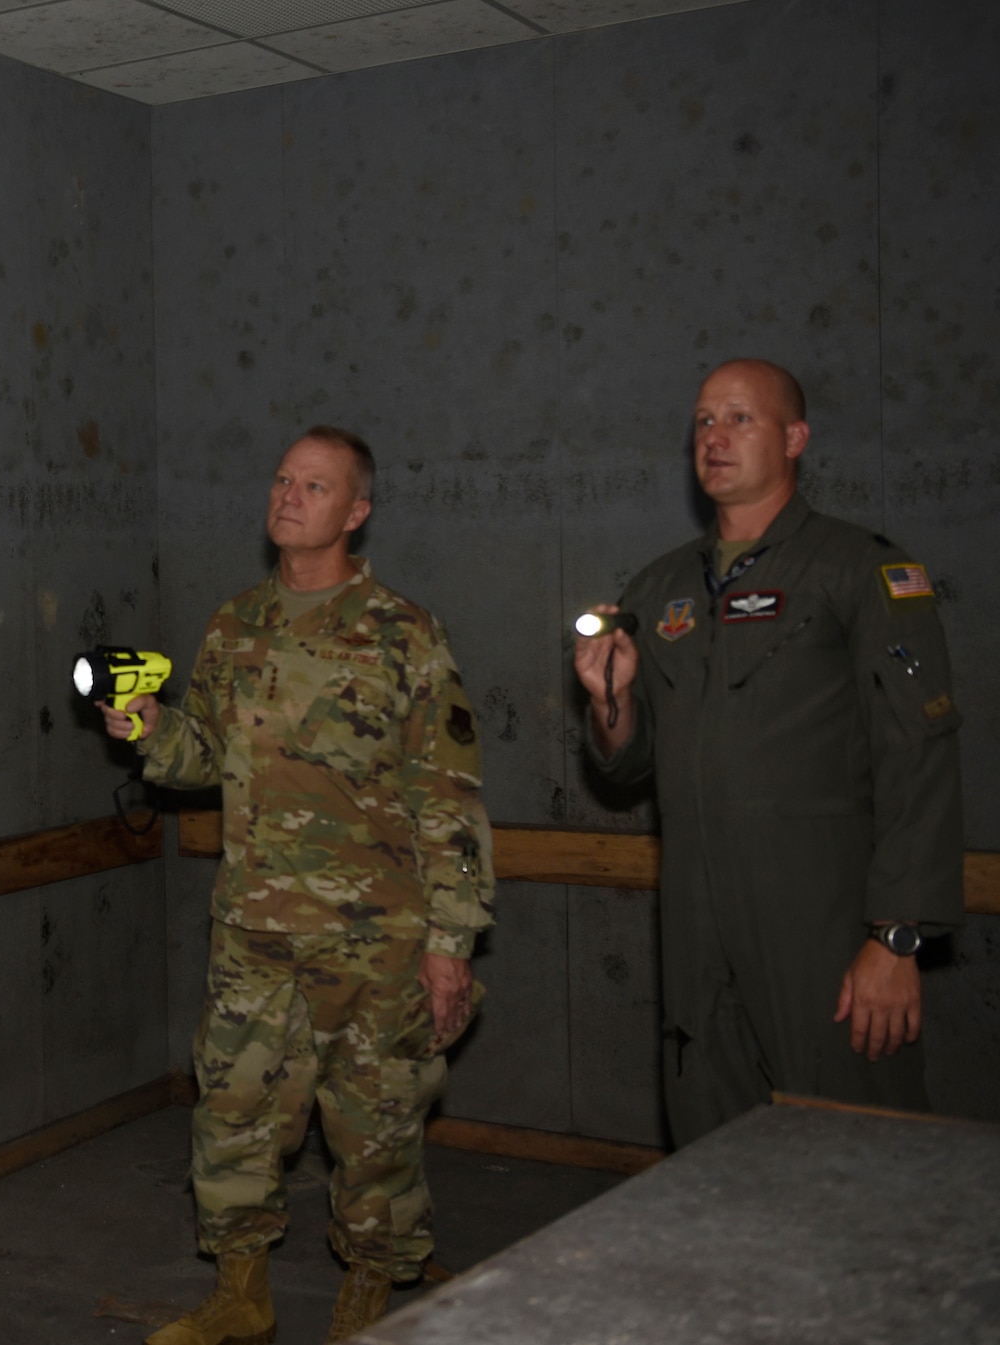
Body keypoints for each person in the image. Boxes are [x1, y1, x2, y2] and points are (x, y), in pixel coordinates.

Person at [101, 427, 494, 1345]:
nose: (288, 496)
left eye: (314, 486)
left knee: (376, 1128)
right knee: (232, 1116)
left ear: (355, 512)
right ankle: (243, 1293)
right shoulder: (235, 624)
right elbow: (203, 756)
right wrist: (153, 730)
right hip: (253, 930)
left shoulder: (404, 631)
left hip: (376, 941)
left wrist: (450, 945)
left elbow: (448, 795)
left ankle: (368, 1292)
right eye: (282, 479)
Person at [574, 358, 964, 1145]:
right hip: (695, 918)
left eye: (739, 419)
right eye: (704, 421)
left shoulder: (861, 569)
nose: (714, 436)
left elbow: (918, 751)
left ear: (795, 438)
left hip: (821, 919)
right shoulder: (658, 589)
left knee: (855, 1138)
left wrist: (896, 937)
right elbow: (626, 763)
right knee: (710, 1141)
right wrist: (607, 702)